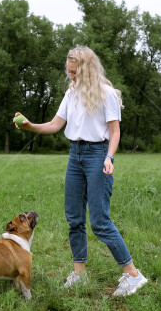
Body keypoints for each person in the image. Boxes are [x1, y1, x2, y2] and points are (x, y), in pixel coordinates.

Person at [13, 46, 148, 297]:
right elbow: (55, 125)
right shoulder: (71, 93)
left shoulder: (106, 93)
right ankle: (79, 275)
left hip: (98, 155)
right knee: (74, 219)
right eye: (69, 72)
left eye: (74, 72)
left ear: (87, 69)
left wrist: (109, 156)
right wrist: (30, 126)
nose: (71, 76)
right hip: (74, 155)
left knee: (99, 221)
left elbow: (115, 131)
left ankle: (132, 274)